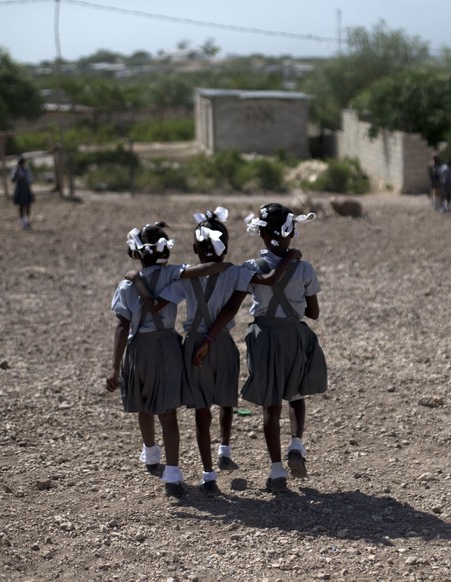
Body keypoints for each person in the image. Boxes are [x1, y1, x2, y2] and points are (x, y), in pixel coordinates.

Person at [129, 208, 302, 494]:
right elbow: (269, 280)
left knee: (201, 411)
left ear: (196, 248)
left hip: (193, 346)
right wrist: (290, 255)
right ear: (227, 244)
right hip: (222, 343)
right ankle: (225, 447)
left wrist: (136, 279)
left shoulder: (186, 277)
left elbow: (156, 304)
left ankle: (208, 475)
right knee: (226, 401)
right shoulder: (237, 272)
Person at [193, 203, 326, 493]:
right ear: (292, 232)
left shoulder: (250, 268)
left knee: (271, 404)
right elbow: (313, 313)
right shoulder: (304, 268)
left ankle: (277, 471)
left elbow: (232, 307)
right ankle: (296, 444)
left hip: (264, 337)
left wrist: (209, 336)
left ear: (262, 235)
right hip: (294, 336)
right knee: (296, 394)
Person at [106, 222, 231, 497]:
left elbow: (121, 325)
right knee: (168, 411)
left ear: (137, 253)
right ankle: (172, 473)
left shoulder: (126, 284)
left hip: (140, 347)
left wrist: (114, 365)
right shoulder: (175, 274)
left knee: (143, 401)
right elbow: (205, 270)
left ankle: (150, 452)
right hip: (169, 347)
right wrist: (223, 263)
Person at [11, 156, 34, 229]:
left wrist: (30, 181)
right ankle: (23, 222)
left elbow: (29, 179)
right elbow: (13, 180)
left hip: (25, 189)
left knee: (27, 205)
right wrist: (16, 174)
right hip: (20, 189)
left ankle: (26, 221)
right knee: (21, 206)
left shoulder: (26, 170)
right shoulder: (16, 170)